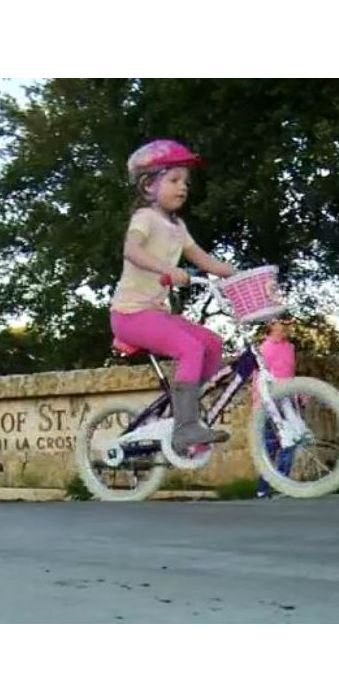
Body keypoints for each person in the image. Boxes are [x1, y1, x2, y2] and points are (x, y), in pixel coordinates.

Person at [109, 139, 238, 455]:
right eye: (174, 180)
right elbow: (131, 250)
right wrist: (168, 269)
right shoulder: (145, 217)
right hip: (130, 314)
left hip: (156, 314)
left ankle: (185, 413)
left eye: (185, 182)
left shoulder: (178, 226)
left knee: (212, 344)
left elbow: (204, 260)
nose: (182, 187)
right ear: (148, 185)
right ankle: (185, 427)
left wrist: (239, 274)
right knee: (190, 348)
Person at [253, 316, 298, 498]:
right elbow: (258, 379)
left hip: (287, 400)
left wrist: (298, 394)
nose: (286, 327)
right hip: (268, 402)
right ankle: (263, 488)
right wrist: (259, 404)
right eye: (282, 323)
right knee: (270, 445)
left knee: (291, 441)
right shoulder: (264, 349)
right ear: (272, 325)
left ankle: (282, 484)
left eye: (288, 324)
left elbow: (290, 374)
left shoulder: (290, 348)